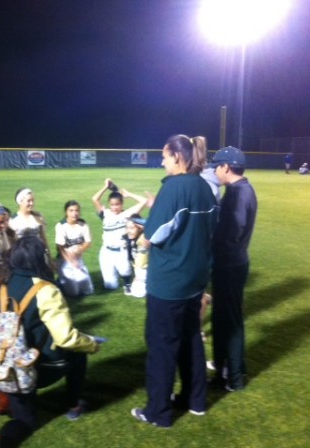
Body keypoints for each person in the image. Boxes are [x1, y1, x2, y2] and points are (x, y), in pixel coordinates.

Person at [0, 236, 100, 448]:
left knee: (23, 420)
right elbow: (66, 338)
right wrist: (91, 344)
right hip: (39, 365)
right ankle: (73, 404)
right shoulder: (46, 290)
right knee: (78, 352)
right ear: (39, 259)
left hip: (2, 365)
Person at [131, 134, 217, 427]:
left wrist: (143, 229)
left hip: (170, 283)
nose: (162, 161)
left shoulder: (174, 188)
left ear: (178, 157)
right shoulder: (204, 186)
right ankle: (196, 401)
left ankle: (159, 412)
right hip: (195, 280)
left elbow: (154, 235)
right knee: (191, 339)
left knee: (162, 346)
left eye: (165, 156)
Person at [209, 146, 257, 392]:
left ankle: (234, 377)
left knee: (230, 321)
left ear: (226, 167)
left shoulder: (238, 193)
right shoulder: (241, 189)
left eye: (216, 166)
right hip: (234, 262)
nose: (214, 171)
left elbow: (232, 232)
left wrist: (210, 243)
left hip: (229, 264)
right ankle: (227, 370)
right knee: (226, 319)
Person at [92, 179, 149, 294]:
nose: (115, 207)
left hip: (121, 251)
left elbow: (145, 201)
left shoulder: (127, 214)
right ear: (109, 204)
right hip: (106, 251)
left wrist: (128, 194)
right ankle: (114, 272)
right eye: (112, 204)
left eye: (117, 204)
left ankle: (127, 283)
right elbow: (95, 199)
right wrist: (105, 187)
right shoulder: (105, 214)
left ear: (122, 204)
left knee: (126, 271)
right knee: (110, 286)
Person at [55, 200, 94, 298]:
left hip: (77, 259)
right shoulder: (61, 226)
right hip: (64, 261)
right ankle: (60, 281)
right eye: (71, 210)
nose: (74, 213)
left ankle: (68, 280)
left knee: (88, 290)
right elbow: (60, 247)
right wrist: (71, 261)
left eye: (76, 210)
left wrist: (80, 250)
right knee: (74, 293)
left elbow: (88, 242)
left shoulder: (83, 224)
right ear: (66, 212)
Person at [124, 215, 148, 298]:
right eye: (127, 228)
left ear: (140, 228)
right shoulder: (132, 239)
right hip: (139, 272)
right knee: (135, 292)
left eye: (132, 228)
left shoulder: (144, 239)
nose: (128, 231)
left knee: (138, 293)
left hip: (148, 273)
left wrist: (145, 228)